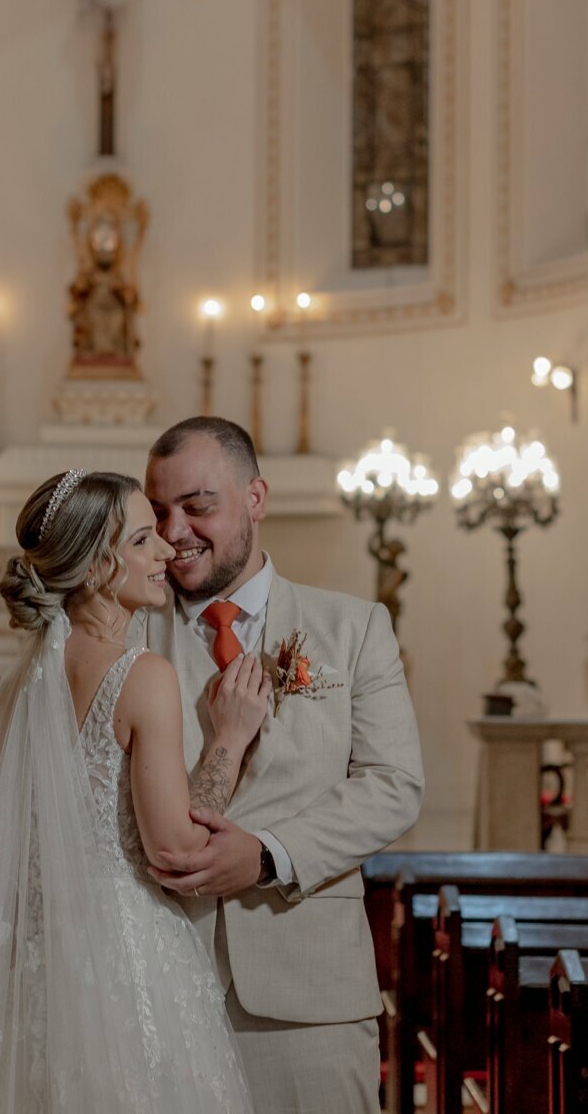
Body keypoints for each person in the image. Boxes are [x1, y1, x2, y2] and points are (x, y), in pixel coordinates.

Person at [0, 468, 272, 1112]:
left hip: (40, 953)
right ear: (98, 567)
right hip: (124, 957)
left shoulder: (23, 682)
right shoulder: (141, 675)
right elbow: (175, 848)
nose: (165, 552)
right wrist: (230, 740)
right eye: (142, 540)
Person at [138, 415, 424, 1113]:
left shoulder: (353, 628)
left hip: (311, 998)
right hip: (154, 987)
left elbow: (394, 785)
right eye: (158, 511)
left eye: (198, 505)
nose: (175, 531)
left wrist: (269, 854)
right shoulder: (123, 633)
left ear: (256, 498)